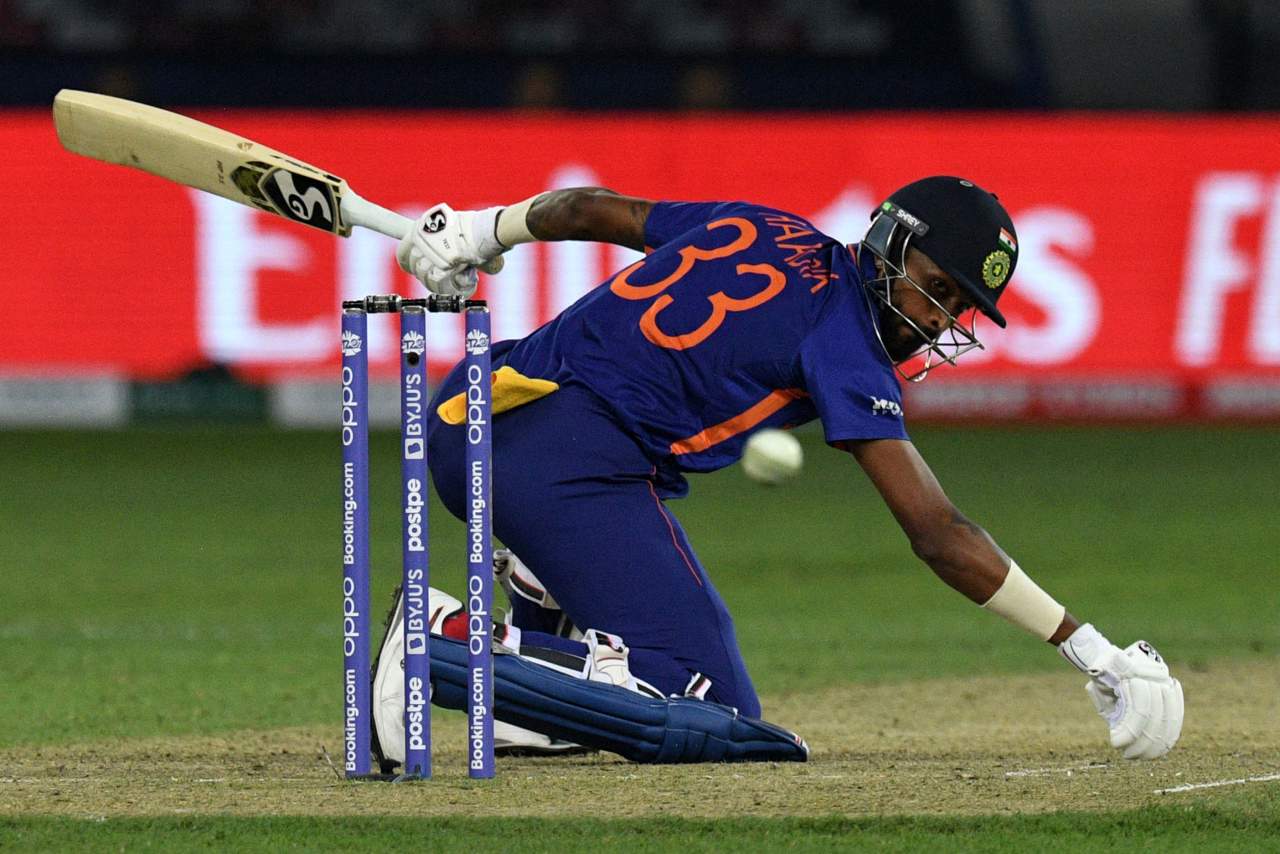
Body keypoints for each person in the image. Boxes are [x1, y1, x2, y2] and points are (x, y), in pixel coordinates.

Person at [376, 176, 1183, 764]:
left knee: (644, 491)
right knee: (714, 709)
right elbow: (938, 533)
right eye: (935, 289)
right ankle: (448, 644)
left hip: (477, 410)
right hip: (554, 464)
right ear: (889, 245)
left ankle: (540, 682)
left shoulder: (761, 223)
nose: (937, 319)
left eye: (955, 308)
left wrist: (481, 230)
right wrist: (1092, 650)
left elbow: (587, 207)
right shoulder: (847, 342)